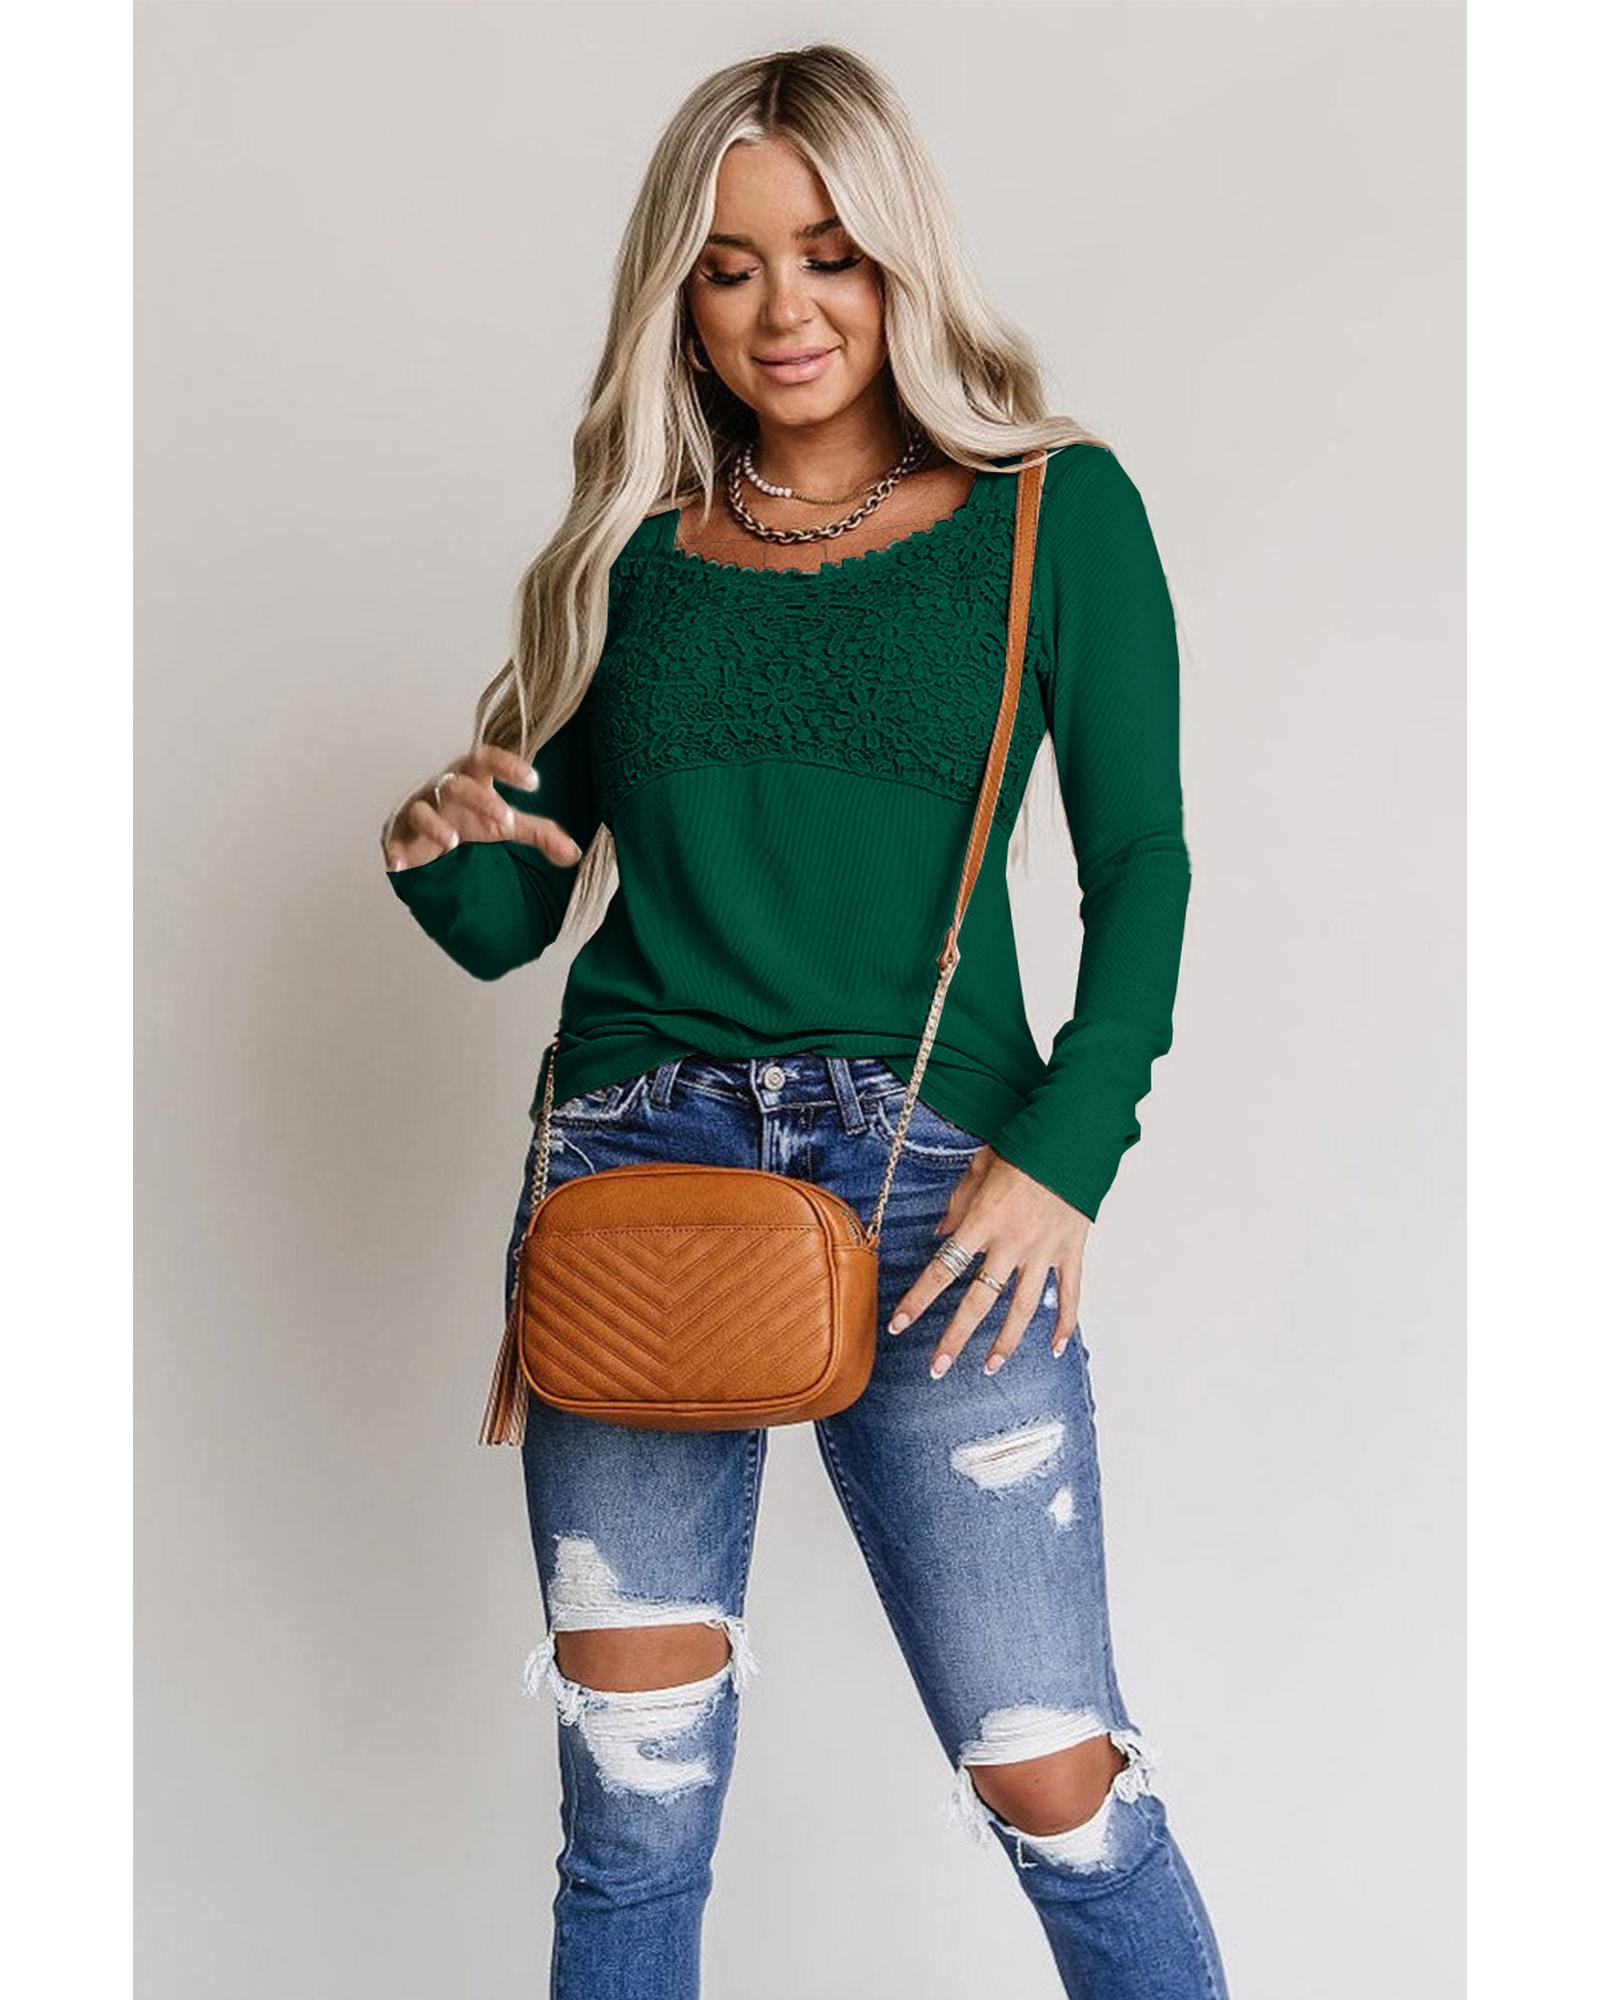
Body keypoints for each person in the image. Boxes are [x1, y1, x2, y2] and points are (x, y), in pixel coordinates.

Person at [380, 42, 1229, 2000]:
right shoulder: (634, 558)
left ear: (899, 256)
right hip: (633, 1179)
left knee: (1056, 1782)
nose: (785, 309)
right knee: (632, 1816)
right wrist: (438, 849)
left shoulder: (1053, 513)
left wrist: (1064, 1151)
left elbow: (1144, 865)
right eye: (731, 265)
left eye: (829, 254)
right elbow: (516, 917)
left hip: (938, 1187)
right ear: (676, 296)